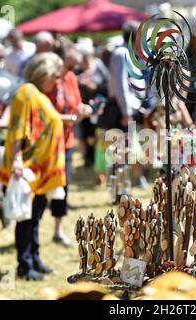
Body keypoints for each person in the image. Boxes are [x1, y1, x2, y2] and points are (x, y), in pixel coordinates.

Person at [0, 52, 66, 281]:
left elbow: (47, 121)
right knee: (26, 220)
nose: (57, 81)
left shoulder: (39, 95)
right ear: (42, 72)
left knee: (35, 218)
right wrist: (17, 159)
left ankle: (34, 258)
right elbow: (17, 128)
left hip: (39, 172)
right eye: (55, 76)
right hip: (27, 168)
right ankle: (24, 266)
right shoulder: (26, 92)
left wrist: (73, 118)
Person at [48, 40, 92, 247]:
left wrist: (83, 109)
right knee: (44, 188)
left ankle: (58, 229)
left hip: (66, 141)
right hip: (48, 142)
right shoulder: (49, 79)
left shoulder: (71, 77)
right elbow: (47, 113)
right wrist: (71, 119)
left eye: (75, 66)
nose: (72, 69)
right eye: (70, 65)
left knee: (63, 187)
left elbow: (76, 103)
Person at [108, 21, 148, 188]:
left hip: (129, 108)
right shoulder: (121, 54)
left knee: (127, 149)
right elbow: (121, 86)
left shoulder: (127, 53)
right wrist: (126, 112)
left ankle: (123, 187)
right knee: (121, 150)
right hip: (121, 109)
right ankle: (120, 189)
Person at [76, 38, 110, 184]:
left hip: (99, 107)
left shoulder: (99, 65)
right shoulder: (77, 69)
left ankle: (98, 169)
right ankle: (88, 160)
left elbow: (107, 84)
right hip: (83, 108)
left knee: (98, 137)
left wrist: (94, 87)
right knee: (85, 136)